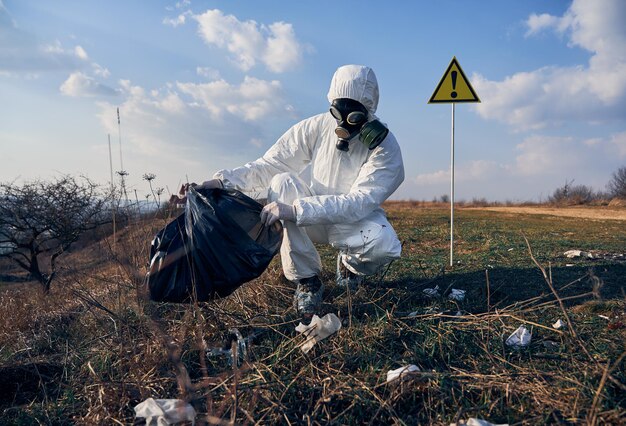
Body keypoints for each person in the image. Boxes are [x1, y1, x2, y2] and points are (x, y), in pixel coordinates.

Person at [173, 64, 404, 319]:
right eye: (339, 112)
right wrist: (222, 182)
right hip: (310, 218)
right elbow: (271, 164)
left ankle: (350, 267)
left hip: (350, 220)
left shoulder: (384, 147)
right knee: (282, 181)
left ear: (368, 111)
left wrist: (296, 210)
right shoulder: (316, 127)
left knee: (383, 244)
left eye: (355, 117)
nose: (344, 123)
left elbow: (359, 202)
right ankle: (307, 281)